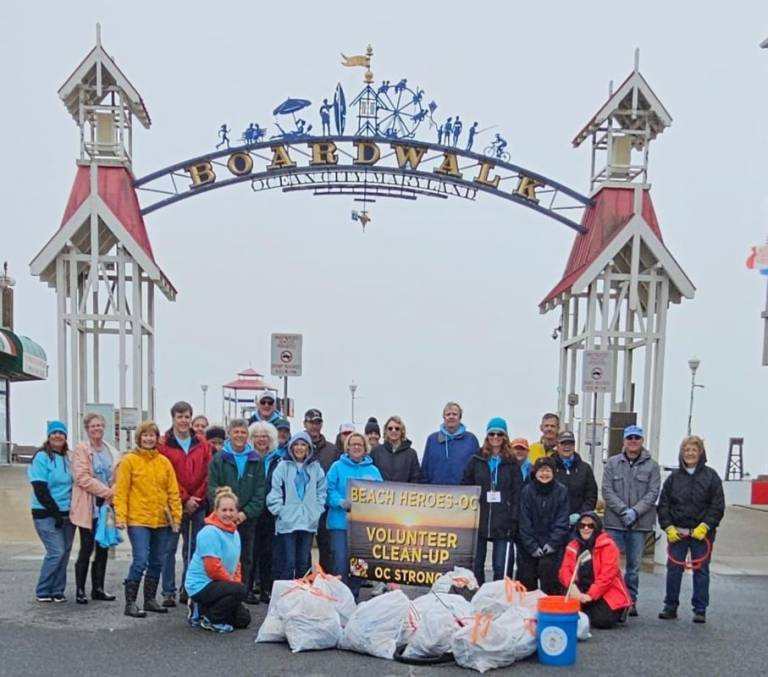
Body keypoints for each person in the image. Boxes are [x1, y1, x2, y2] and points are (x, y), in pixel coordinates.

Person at [114, 420, 182, 618]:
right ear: (139, 437)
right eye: (145, 435)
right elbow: (121, 491)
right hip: (138, 519)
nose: (149, 438)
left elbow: (173, 492)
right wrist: (120, 516)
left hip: (161, 519)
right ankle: (130, 603)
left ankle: (150, 599)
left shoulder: (164, 462)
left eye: (152, 435)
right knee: (140, 559)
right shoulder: (129, 461)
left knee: (157, 560)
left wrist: (176, 517)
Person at [657, 436, 725, 624]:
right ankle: (670, 606)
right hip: (677, 533)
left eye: (694, 450)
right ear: (681, 453)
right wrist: (668, 527)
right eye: (686, 450)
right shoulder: (673, 478)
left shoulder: (711, 477)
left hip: (702, 535)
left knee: (701, 570)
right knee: (673, 570)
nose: (690, 453)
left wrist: (706, 526)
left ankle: (700, 609)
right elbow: (663, 505)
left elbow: (717, 506)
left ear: (701, 453)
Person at [601, 424, 661, 617]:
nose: (633, 441)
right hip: (614, 523)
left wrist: (635, 511)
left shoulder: (652, 466)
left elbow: (653, 492)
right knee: (611, 566)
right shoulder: (612, 463)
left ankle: (631, 601)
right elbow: (606, 490)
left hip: (639, 524)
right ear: (624, 441)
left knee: (633, 568)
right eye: (630, 438)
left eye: (636, 438)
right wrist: (622, 510)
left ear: (642, 440)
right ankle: (613, 600)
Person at [159, 401, 212, 607]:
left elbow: (207, 473)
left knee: (193, 548)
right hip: (173, 503)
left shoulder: (202, 444)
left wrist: (196, 498)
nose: (183, 420)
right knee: (169, 548)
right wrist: (184, 497)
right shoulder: (164, 445)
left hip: (198, 503)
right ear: (173, 418)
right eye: (179, 416)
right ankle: (168, 591)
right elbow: (166, 476)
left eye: (187, 416)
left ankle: (187, 588)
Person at [207, 419, 265, 605]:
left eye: (243, 432)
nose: (240, 435)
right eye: (236, 432)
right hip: (223, 519)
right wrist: (226, 511)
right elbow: (212, 487)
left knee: (246, 556)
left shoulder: (256, 459)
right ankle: (223, 590)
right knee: (223, 556)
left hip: (246, 518)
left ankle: (243, 591)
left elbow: (260, 491)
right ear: (229, 434)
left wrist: (245, 513)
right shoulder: (219, 458)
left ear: (247, 435)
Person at [462, 417, 522, 584]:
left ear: (505, 437)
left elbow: (518, 493)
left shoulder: (512, 463)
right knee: (476, 566)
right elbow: (465, 485)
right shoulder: (476, 460)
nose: (495, 437)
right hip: (479, 519)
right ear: (487, 436)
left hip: (503, 520)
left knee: (501, 566)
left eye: (499, 434)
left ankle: (499, 594)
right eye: (492, 434)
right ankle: (477, 594)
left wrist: (514, 519)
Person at [70, 413, 122, 604]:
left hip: (106, 507)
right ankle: (80, 590)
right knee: (87, 547)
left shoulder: (112, 451)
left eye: (99, 425)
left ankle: (98, 588)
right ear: (87, 429)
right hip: (89, 504)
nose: (96, 429)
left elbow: (118, 475)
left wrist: (113, 491)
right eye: (93, 426)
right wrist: (107, 492)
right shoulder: (81, 449)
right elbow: (82, 478)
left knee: (103, 547)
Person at [185, 487, 251, 633]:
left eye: (231, 510)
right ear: (216, 511)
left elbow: (237, 564)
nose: (228, 514)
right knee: (240, 590)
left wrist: (235, 584)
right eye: (224, 510)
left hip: (220, 584)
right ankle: (211, 619)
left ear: (237, 512)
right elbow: (213, 569)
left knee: (243, 619)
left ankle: (200, 609)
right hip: (201, 585)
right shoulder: (209, 532)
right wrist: (234, 586)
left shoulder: (235, 533)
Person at [326, 433, 383, 599]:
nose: (356, 447)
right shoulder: (336, 467)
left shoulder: (373, 470)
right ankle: (340, 598)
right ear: (348, 447)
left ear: (365, 448)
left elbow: (382, 495)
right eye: (353, 444)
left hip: (362, 526)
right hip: (340, 524)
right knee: (340, 562)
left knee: (359, 564)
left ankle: (354, 596)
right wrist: (339, 502)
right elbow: (328, 490)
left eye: (360, 444)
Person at [267, 431, 327, 581]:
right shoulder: (282, 466)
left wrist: (317, 510)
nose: (300, 448)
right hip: (287, 522)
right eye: (296, 444)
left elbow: (322, 490)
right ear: (291, 447)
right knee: (288, 562)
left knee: (303, 561)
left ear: (308, 448)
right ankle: (286, 593)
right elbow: (275, 490)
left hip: (308, 522)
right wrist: (280, 511)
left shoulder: (316, 468)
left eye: (303, 444)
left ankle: (303, 592)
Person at [558, 511, 631, 629]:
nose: (586, 528)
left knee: (602, 621)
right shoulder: (572, 545)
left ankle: (619, 611)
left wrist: (590, 595)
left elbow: (607, 576)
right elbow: (564, 570)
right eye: (582, 525)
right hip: (579, 588)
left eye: (590, 525)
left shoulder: (608, 545)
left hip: (604, 591)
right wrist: (572, 587)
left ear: (597, 527)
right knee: (566, 612)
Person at [28, 420, 75, 603]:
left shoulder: (67, 459)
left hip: (67, 513)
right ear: (48, 436)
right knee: (56, 551)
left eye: (61, 433)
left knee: (65, 553)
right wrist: (54, 512)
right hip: (46, 513)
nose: (58, 436)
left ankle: (57, 590)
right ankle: (43, 589)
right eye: (54, 432)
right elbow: (40, 488)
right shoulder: (41, 457)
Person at [517, 457, 570, 594]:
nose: (544, 474)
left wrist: (552, 543)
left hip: (552, 547)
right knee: (527, 582)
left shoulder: (561, 491)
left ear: (553, 472)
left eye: (548, 470)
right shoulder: (527, 491)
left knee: (551, 582)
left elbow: (562, 520)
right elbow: (524, 521)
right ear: (535, 472)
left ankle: (550, 606)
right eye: (541, 470)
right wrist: (532, 546)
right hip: (529, 548)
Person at [248, 421, 281, 603]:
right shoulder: (248, 458)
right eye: (257, 436)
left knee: (268, 552)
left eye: (265, 436)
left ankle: (266, 589)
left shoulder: (278, 459)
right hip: (252, 509)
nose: (261, 439)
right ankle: (248, 588)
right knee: (250, 552)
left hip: (270, 511)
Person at [303, 408, 339, 572]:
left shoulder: (332, 450)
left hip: (325, 508)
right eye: (311, 422)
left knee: (327, 550)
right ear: (305, 424)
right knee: (303, 551)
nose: (314, 426)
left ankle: (326, 582)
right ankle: (305, 581)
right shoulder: (298, 446)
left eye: (317, 422)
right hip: (304, 508)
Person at [421, 402, 480, 485]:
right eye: (448, 414)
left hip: (464, 491)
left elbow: (478, 469)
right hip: (436, 490)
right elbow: (424, 471)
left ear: (460, 417)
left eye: (455, 414)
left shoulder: (471, 440)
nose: (451, 417)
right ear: (444, 417)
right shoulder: (432, 439)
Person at [553, 431, 597, 527]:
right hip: (554, 522)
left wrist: (580, 515)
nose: (567, 447)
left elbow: (591, 497)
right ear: (557, 445)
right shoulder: (549, 466)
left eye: (570, 443)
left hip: (579, 525)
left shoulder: (585, 468)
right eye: (563, 443)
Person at [370, 415, 420, 483]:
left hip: (403, 489)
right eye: (390, 428)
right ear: (386, 431)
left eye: (397, 428)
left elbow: (415, 478)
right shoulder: (376, 452)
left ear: (402, 431)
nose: (393, 430)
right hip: (380, 489)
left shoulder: (411, 454)